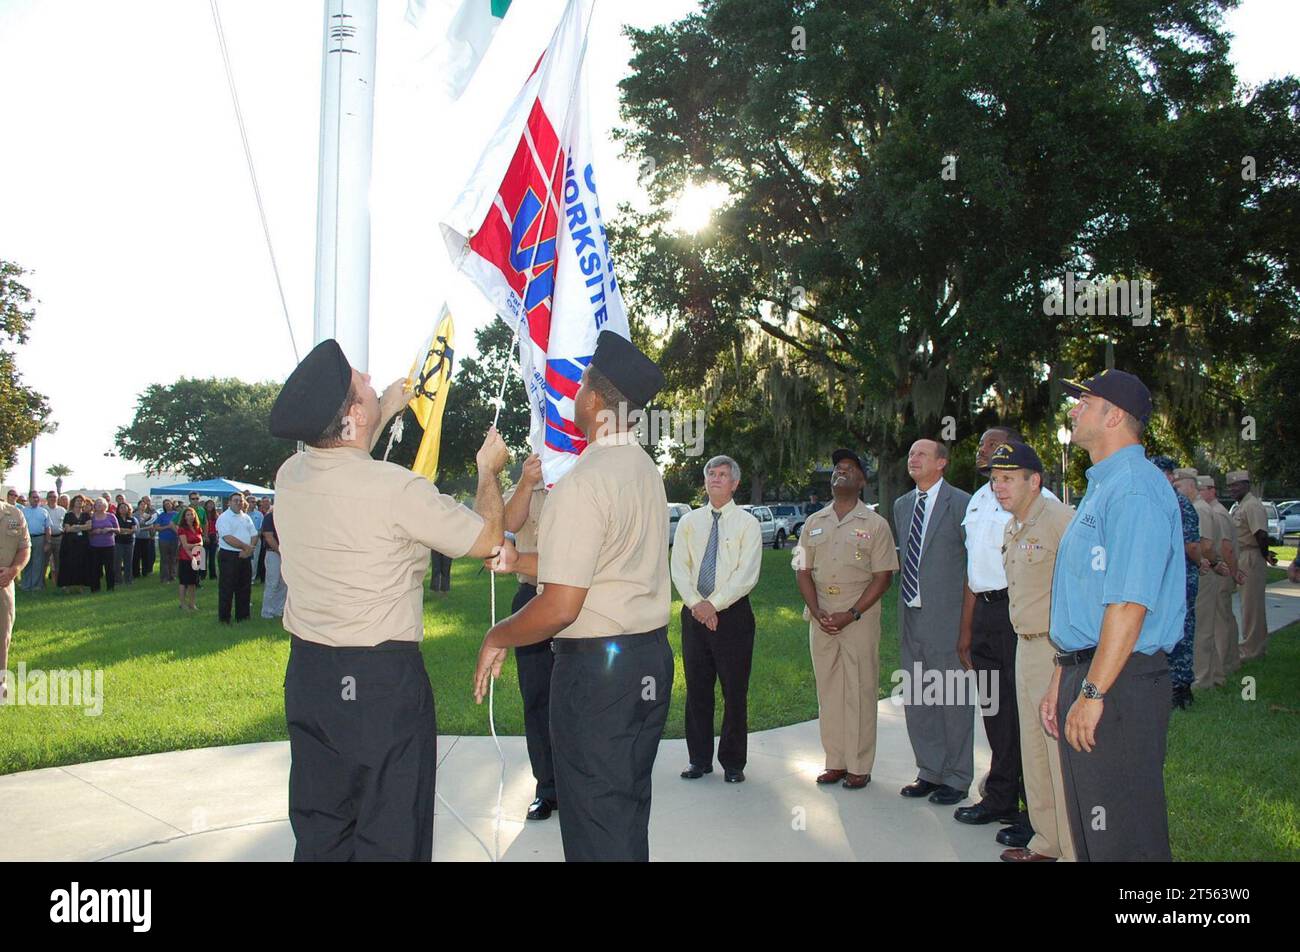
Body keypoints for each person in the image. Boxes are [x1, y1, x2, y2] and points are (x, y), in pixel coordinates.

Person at [271, 338, 506, 862]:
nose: (373, 377)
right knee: (391, 830)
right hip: (380, 685)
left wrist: (382, 409)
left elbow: (341, 457)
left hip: (310, 677)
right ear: (353, 414)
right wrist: (488, 471)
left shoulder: (291, 478)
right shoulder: (397, 489)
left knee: (322, 828)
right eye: (364, 383)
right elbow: (488, 539)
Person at [473, 330, 670, 862]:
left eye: (580, 382)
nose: (574, 393)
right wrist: (521, 561)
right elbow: (599, 568)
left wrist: (498, 636)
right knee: (623, 809)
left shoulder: (586, 481)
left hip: (598, 677)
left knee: (594, 823)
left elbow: (562, 605)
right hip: (645, 659)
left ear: (594, 400)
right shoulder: (643, 470)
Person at [1040, 370, 1183, 862]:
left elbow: (1129, 604)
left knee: (1125, 833)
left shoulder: (1135, 490)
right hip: (1092, 668)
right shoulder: (1103, 487)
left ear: (1114, 415)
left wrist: (1093, 692)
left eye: (1086, 401)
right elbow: (1087, 602)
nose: (1074, 410)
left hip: (1121, 679)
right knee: (1096, 829)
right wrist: (1066, 677)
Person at [987, 441, 1077, 862]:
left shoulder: (1062, 521)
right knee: (1034, 750)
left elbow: (1081, 595)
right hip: (1023, 648)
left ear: (1034, 480)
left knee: (1060, 754)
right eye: (993, 480)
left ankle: (1075, 847)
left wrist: (1065, 658)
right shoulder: (1012, 527)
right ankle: (1046, 841)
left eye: (1007, 479)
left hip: (1057, 650)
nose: (998, 488)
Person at [955, 425, 1047, 829]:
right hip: (987, 614)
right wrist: (966, 630)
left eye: (992, 443)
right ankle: (1001, 797)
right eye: (980, 443)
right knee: (994, 709)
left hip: (1019, 610)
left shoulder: (1037, 501)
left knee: (1025, 711)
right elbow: (973, 571)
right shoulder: (977, 500)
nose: (982, 449)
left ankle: (1037, 809)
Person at [795, 448, 897, 788]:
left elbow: (883, 576)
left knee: (860, 689)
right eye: (838, 468)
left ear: (862, 481)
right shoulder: (813, 522)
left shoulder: (875, 524)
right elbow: (802, 569)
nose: (841, 472)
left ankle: (859, 765)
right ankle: (835, 761)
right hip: (821, 617)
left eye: (850, 468)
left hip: (858, 617)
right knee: (829, 690)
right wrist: (818, 609)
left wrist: (851, 614)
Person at [673, 454, 763, 784]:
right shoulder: (688, 522)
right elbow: (679, 569)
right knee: (697, 689)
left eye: (722, 474)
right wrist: (699, 605)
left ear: (735, 483)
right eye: (711, 473)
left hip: (734, 615)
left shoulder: (748, 524)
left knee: (734, 691)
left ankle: (734, 762)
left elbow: (747, 574)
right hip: (694, 615)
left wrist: (715, 605)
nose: (715, 478)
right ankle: (699, 760)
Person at [893, 438, 974, 805]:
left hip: (948, 618)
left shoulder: (962, 504)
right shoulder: (902, 505)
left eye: (922, 454)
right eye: (911, 454)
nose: (913, 459)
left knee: (953, 700)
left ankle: (957, 778)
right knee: (919, 698)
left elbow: (973, 567)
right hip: (911, 615)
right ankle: (930, 770)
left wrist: (966, 627)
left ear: (942, 463)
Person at [500, 452, 556, 819]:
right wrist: (526, 481)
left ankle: (581, 783)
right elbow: (505, 523)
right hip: (531, 595)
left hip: (576, 597)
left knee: (578, 698)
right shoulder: (527, 483)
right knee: (536, 699)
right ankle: (547, 789)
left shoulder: (579, 478)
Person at [1151, 460, 1206, 710]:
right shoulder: (1163, 500)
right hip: (1171, 577)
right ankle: (1173, 685)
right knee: (1175, 628)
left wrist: (1199, 561)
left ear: (1170, 476)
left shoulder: (1174, 502)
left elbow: (1193, 546)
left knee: (1180, 629)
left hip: (1179, 576)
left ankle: (1180, 687)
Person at [1227, 471, 1276, 661]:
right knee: (1249, 606)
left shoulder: (1252, 505)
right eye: (1230, 486)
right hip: (1243, 555)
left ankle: (1251, 650)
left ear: (1247, 485)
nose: (1232, 490)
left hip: (1250, 557)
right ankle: (1256, 646)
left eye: (1236, 486)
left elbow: (1261, 534)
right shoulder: (1242, 505)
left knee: (1251, 607)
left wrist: (1265, 554)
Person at [1, 497, 30, 700]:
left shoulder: (14, 514)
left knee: (3, 636)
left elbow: (24, 547)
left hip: (3, 585)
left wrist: (14, 570)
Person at [216, 493, 257, 624]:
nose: (238, 503)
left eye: (240, 501)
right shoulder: (224, 518)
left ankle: (243, 617)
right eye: (235, 501)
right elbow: (227, 538)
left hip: (245, 555)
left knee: (245, 587)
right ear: (229, 502)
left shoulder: (246, 517)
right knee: (227, 588)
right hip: (229, 555)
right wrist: (246, 547)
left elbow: (254, 534)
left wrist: (249, 549)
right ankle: (224, 618)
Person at [57, 495, 92, 593]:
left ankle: (81, 585)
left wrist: (76, 526)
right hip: (69, 543)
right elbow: (67, 529)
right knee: (69, 563)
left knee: (82, 563)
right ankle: (66, 585)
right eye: (77, 500)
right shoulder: (68, 515)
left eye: (81, 501)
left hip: (83, 543)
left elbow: (89, 526)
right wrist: (81, 526)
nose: (79, 502)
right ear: (73, 502)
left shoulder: (86, 515)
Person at [19, 491, 51, 592]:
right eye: (33, 497)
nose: (36, 499)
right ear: (29, 498)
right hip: (26, 539)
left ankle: (37, 585)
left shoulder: (44, 511)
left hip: (39, 539)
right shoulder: (23, 511)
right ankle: (26, 585)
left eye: (37, 497)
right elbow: (19, 527)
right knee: (26, 561)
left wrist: (47, 542)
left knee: (38, 562)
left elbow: (48, 528)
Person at [86, 498, 119, 592]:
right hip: (95, 546)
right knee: (95, 568)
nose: (99, 505)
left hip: (109, 545)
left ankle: (110, 587)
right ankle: (95, 588)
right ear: (94, 506)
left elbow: (118, 530)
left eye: (101, 503)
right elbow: (87, 531)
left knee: (109, 567)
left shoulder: (111, 516)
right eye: (97, 504)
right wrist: (94, 531)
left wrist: (109, 529)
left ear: (105, 506)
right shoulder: (91, 517)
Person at [260, 504, 286, 619]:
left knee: (284, 583)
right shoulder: (269, 517)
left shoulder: (287, 517)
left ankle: (279, 610)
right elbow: (269, 537)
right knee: (272, 583)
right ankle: (267, 612)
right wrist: (281, 551)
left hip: (286, 554)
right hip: (273, 553)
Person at [175, 506, 204, 611]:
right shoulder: (182, 529)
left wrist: (196, 548)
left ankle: (192, 604)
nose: (190, 516)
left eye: (192, 514)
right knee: (184, 582)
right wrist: (194, 550)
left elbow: (201, 542)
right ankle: (182, 604)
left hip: (197, 556)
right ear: (184, 517)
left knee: (193, 582)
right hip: (185, 558)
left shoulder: (197, 527)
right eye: (188, 514)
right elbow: (185, 546)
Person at [113, 502, 137, 587]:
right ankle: (118, 580)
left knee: (128, 561)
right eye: (121, 507)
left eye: (125, 507)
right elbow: (116, 529)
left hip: (129, 542)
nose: (123, 509)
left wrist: (124, 530)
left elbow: (134, 529)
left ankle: (128, 579)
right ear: (118, 509)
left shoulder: (131, 519)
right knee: (117, 562)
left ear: (128, 509)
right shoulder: (115, 518)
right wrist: (127, 530)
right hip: (118, 542)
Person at [132, 496, 157, 578]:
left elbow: (151, 525)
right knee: (136, 556)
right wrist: (146, 528)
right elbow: (136, 528)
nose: (143, 506)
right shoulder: (134, 515)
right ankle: (136, 573)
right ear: (138, 505)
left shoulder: (148, 515)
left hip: (146, 538)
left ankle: (145, 572)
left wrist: (149, 529)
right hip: (137, 538)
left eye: (145, 505)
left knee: (145, 556)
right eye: (141, 504)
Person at [155, 500, 179, 584]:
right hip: (164, 539)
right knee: (164, 558)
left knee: (173, 558)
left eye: (168, 504)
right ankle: (164, 577)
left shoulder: (176, 514)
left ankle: (172, 575)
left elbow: (179, 525)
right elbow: (157, 528)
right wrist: (168, 527)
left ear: (172, 505)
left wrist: (174, 528)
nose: (167, 506)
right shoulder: (162, 515)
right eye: (165, 504)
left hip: (174, 538)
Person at [45, 491, 66, 586]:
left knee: (59, 562)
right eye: (50, 497)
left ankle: (58, 583)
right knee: (44, 562)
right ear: (47, 498)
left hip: (59, 538)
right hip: (46, 538)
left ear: (57, 498)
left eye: (54, 497)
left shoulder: (62, 510)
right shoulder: (43, 509)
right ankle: (41, 583)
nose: (52, 498)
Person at [255, 498, 271, 583]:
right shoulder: (260, 513)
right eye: (264, 502)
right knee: (260, 558)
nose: (265, 503)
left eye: (267, 501)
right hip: (261, 537)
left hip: (267, 537)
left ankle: (264, 577)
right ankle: (261, 576)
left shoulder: (272, 512)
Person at [203, 499, 220, 580]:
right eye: (208, 504)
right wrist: (205, 536)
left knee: (212, 558)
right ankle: (202, 575)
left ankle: (213, 575)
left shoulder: (216, 515)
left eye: (212, 504)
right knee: (203, 557)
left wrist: (217, 537)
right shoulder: (203, 514)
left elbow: (218, 527)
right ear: (206, 506)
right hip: (204, 535)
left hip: (213, 536)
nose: (210, 506)